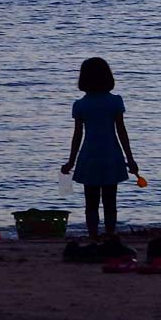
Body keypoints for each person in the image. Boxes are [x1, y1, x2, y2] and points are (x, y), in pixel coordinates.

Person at [61, 57, 139, 239]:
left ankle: (93, 236)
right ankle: (111, 234)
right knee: (111, 201)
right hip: (112, 155)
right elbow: (122, 132)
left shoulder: (80, 105)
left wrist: (71, 161)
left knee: (91, 202)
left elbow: (77, 136)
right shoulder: (115, 102)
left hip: (89, 156)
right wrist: (130, 158)